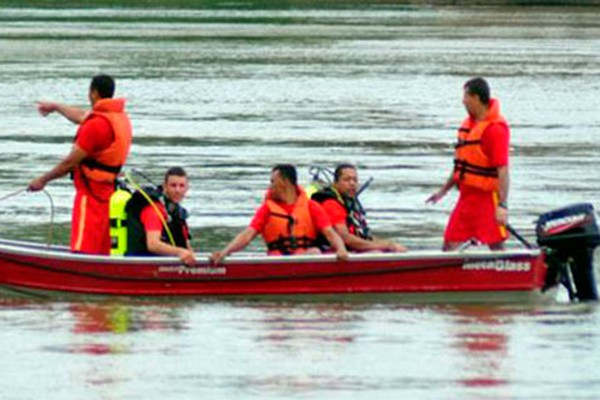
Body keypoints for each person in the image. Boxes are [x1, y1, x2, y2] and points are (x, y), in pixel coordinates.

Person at [28, 74, 132, 255]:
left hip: (91, 194)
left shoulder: (96, 126)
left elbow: (69, 163)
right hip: (110, 195)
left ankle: (81, 274)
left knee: (85, 248)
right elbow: (81, 115)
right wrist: (56, 107)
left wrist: (42, 180)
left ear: (93, 93)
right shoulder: (116, 118)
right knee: (103, 249)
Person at [426, 77, 510, 250]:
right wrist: (443, 191)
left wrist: (502, 205)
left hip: (487, 198)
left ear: (477, 98)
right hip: (467, 197)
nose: (463, 101)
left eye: (466, 96)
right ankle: (446, 275)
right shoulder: (468, 126)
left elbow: (503, 171)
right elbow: (460, 166)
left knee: (496, 245)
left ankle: (512, 273)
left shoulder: (495, 130)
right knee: (449, 243)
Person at [210, 164, 348, 264]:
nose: (270, 186)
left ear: (285, 182)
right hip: (276, 260)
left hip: (306, 258)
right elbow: (247, 235)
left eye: (273, 181)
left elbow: (330, 233)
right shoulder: (267, 209)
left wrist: (341, 249)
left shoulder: (312, 207)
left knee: (315, 252)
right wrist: (224, 252)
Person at [312, 163, 407, 253]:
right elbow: (345, 238)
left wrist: (388, 244)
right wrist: (384, 246)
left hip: (351, 250)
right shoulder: (331, 204)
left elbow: (364, 236)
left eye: (355, 180)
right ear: (335, 183)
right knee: (376, 252)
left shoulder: (349, 204)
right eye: (347, 179)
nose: (352, 183)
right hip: (332, 252)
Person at [124, 167, 195, 266]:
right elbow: (153, 244)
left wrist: (189, 254)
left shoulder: (177, 212)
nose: (177, 190)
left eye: (182, 186)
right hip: (141, 261)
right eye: (173, 186)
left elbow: (186, 247)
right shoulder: (154, 209)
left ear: (187, 188)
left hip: (162, 260)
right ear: (165, 186)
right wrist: (180, 252)